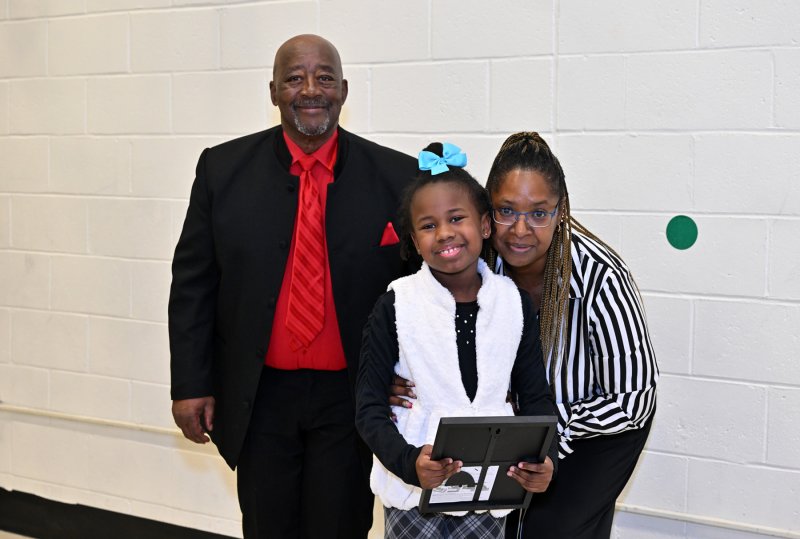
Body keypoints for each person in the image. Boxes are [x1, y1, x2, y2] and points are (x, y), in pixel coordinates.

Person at [168, 34, 417, 539]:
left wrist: (409, 371)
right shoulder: (222, 169)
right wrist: (192, 384)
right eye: (294, 78)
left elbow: (419, 290)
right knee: (267, 526)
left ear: (344, 89)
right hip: (259, 394)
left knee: (339, 526)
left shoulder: (397, 176)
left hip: (350, 397)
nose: (310, 89)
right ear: (273, 91)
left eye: (324, 76)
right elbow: (194, 283)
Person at [391, 132, 658, 539]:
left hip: (595, 428)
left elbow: (635, 398)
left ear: (560, 212)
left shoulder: (600, 276)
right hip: (512, 429)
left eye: (538, 213)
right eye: (506, 211)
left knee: (553, 528)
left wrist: (546, 431)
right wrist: (400, 380)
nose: (520, 229)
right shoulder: (476, 266)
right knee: (501, 524)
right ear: (486, 213)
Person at [356, 142, 559, 539]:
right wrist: (409, 461)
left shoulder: (512, 302)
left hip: (490, 486)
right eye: (429, 225)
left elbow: (535, 395)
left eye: (456, 218)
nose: (445, 233)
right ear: (415, 242)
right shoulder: (396, 303)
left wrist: (547, 458)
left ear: (484, 225)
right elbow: (368, 407)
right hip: (414, 492)